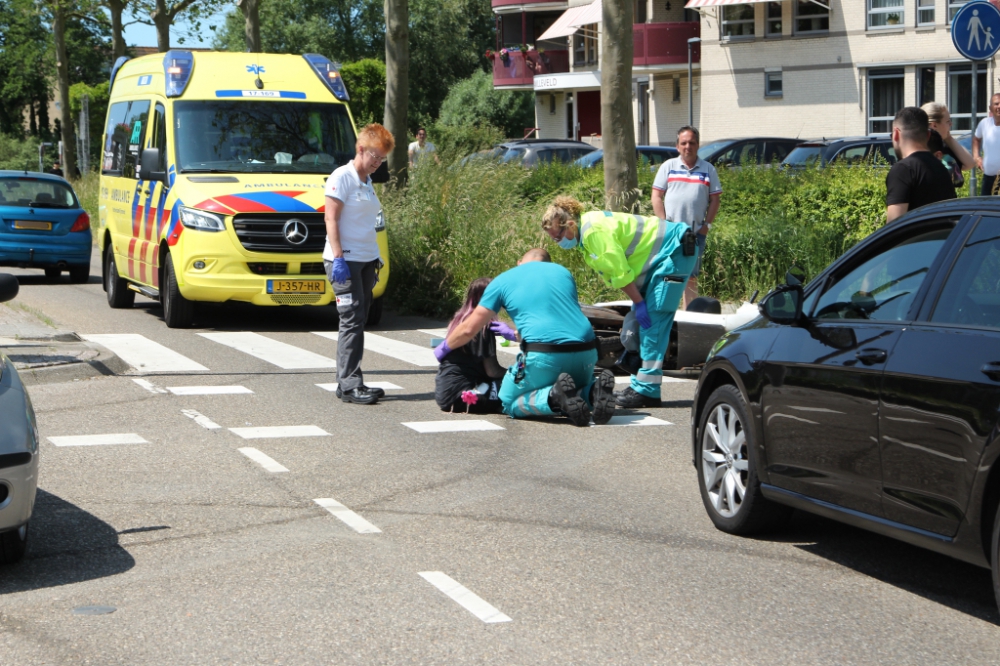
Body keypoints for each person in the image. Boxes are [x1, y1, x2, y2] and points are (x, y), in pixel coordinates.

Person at [543, 196, 696, 409]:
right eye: (553, 240)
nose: (558, 243)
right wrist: (638, 302)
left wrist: (640, 303)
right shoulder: (586, 228)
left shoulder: (593, 233)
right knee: (639, 324)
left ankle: (648, 391)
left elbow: (620, 274)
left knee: (653, 322)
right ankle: (640, 384)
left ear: (569, 224)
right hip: (663, 257)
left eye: (558, 237)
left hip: (674, 252)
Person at [434, 248, 616, 427]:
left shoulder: (503, 280)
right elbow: (554, 323)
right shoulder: (563, 273)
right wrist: (514, 335)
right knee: (570, 384)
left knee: (508, 400)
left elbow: (468, 329)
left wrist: (444, 348)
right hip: (588, 352)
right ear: (549, 264)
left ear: (519, 263)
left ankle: (553, 397)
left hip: (546, 356)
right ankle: (592, 392)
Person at [323, 123, 393, 405]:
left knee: (359, 319)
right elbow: (331, 218)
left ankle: (347, 381)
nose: (377, 162)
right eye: (375, 156)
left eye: (382, 158)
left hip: (365, 260)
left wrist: (374, 256)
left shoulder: (367, 182)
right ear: (361, 149)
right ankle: (351, 384)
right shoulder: (343, 177)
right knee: (351, 319)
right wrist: (338, 256)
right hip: (345, 261)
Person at [651, 126, 721, 309]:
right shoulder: (668, 167)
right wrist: (664, 223)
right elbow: (656, 196)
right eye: (683, 143)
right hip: (671, 233)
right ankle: (669, 313)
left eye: (691, 143)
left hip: (696, 233)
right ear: (677, 146)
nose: (687, 146)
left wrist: (707, 226)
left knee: (691, 276)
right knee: (670, 273)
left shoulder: (708, 169)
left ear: (698, 145)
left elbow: (715, 200)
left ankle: (688, 316)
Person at [435, 277, 506, 414]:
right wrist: (515, 373)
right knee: (514, 386)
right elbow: (492, 371)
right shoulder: (481, 327)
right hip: (462, 396)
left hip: (445, 394)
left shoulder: (459, 320)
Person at [885, 106, 955, 223]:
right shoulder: (941, 167)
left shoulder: (903, 170)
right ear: (928, 136)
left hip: (916, 241)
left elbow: (893, 226)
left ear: (896, 133)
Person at [922, 101, 975, 189]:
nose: (951, 124)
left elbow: (969, 164)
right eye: (948, 121)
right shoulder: (919, 147)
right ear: (934, 125)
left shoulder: (946, 146)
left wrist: (948, 138)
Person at [974, 93, 1000, 195]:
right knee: (985, 208)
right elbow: (976, 139)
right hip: (988, 177)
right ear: (990, 108)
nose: (999, 107)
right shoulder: (984, 123)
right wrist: (977, 157)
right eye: (996, 104)